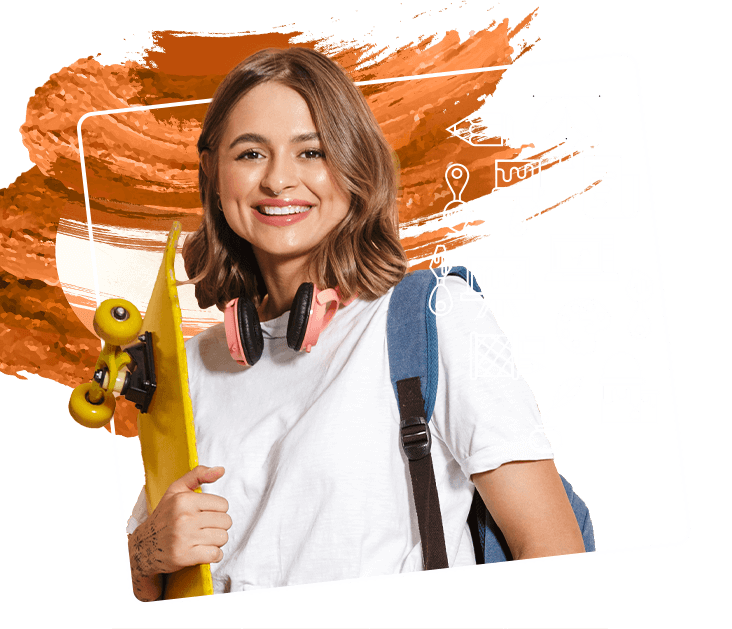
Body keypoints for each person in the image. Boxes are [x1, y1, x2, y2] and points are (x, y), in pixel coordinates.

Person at [126, 46, 585, 600]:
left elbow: (552, 549)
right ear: (212, 172)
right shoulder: (191, 364)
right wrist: (144, 555)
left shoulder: (427, 320)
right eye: (250, 154)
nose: (277, 180)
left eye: (311, 151)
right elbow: (152, 590)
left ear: (355, 166)